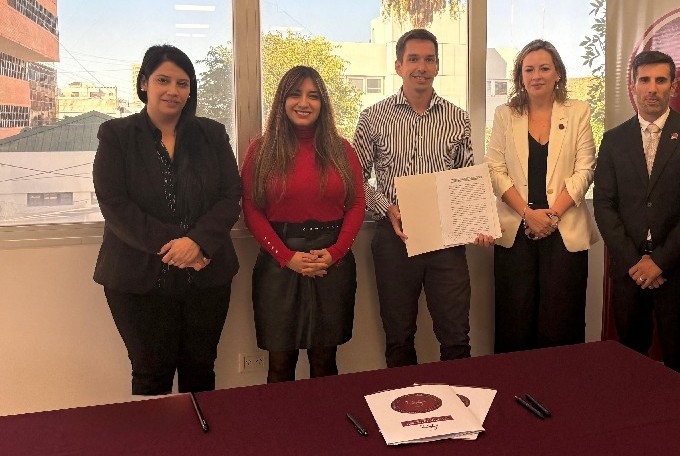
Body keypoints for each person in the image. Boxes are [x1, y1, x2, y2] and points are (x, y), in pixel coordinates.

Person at [92, 44, 241, 395]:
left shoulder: (212, 134)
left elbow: (231, 195)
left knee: (200, 368)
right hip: (137, 279)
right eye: (163, 80)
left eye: (182, 83)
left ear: (190, 90)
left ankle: (199, 433)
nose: (173, 90)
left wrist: (198, 243)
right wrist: (179, 246)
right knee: (150, 373)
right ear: (144, 83)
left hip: (206, 276)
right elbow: (115, 204)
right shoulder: (116, 135)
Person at [353, 29, 493, 368]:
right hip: (394, 239)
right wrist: (387, 208)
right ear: (399, 66)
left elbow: (465, 179)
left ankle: (459, 399)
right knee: (399, 337)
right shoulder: (372, 117)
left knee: (456, 337)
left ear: (437, 66)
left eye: (429, 59)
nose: (422, 67)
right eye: (413, 59)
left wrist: (477, 222)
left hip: (446, 241)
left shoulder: (457, 118)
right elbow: (355, 179)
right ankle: (408, 402)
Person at [241, 66, 365, 382]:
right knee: (280, 364)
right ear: (282, 100)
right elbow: (252, 209)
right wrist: (286, 257)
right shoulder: (261, 150)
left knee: (325, 362)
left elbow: (356, 205)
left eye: (313, 96)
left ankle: (325, 416)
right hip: (279, 264)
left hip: (331, 264)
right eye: (295, 94)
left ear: (323, 103)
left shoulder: (342, 150)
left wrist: (336, 252)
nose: (304, 103)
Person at [594, 50, 680, 379]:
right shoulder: (613, 140)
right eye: (644, 80)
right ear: (633, 86)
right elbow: (604, 204)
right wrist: (634, 261)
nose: (652, 88)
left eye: (660, 80)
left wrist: (660, 261)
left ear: (673, 86)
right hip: (628, 268)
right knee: (631, 358)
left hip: (678, 267)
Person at [485, 39, 598, 353]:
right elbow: (494, 170)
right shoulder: (505, 114)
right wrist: (527, 214)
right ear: (520, 76)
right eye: (529, 69)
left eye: (544, 68)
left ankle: (560, 384)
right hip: (516, 232)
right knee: (514, 323)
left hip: (563, 231)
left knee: (561, 324)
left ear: (558, 73)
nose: (536, 76)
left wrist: (551, 216)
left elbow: (585, 169)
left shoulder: (578, 111)